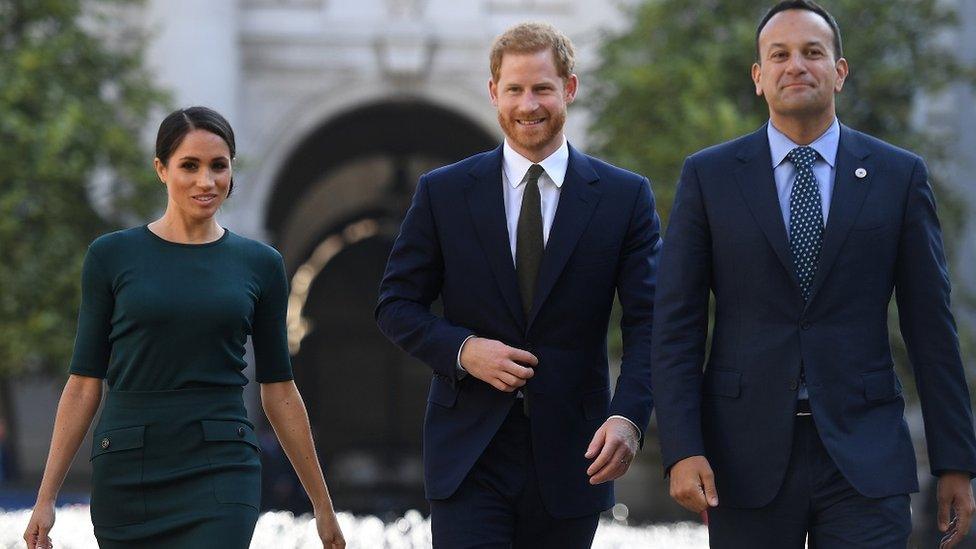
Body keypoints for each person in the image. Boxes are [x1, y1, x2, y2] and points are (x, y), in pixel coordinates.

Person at [650, 1, 976, 547]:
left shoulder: (898, 176)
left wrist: (955, 461)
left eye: (812, 52)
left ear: (839, 71)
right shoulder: (708, 177)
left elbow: (931, 328)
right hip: (742, 456)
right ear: (758, 77)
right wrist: (682, 448)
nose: (795, 65)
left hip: (865, 456)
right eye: (778, 55)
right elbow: (676, 324)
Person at [375, 22, 661, 548]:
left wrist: (628, 416)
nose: (528, 104)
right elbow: (395, 304)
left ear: (569, 89)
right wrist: (463, 350)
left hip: (577, 455)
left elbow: (651, 322)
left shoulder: (625, 198)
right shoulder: (444, 193)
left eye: (542, 88)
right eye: (515, 89)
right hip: (469, 454)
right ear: (494, 93)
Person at [23, 107, 345, 549]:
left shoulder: (261, 264)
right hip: (129, 466)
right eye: (189, 165)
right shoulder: (111, 257)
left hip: (222, 465)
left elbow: (280, 391)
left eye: (219, 166)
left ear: (232, 171)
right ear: (161, 169)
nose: (206, 181)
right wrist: (46, 498)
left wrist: (322, 507)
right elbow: (83, 385)